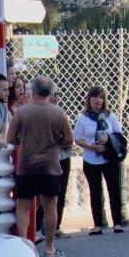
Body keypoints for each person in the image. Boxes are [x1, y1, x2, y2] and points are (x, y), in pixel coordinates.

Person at [8, 75, 74, 257]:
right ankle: (49, 247)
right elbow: (69, 140)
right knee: (50, 206)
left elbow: (10, 138)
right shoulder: (59, 113)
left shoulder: (21, 112)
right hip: (50, 166)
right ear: (51, 92)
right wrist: (55, 141)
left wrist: (25, 139)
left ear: (32, 91)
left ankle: (25, 247)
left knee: (23, 205)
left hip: (27, 165)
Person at [73, 85, 129, 233]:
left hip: (109, 158)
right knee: (95, 192)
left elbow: (119, 133)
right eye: (95, 97)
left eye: (101, 97)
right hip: (91, 159)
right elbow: (78, 139)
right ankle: (98, 224)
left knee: (114, 190)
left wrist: (108, 138)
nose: (98, 100)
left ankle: (117, 223)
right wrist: (91, 146)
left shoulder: (109, 115)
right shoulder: (83, 117)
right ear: (89, 99)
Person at [49, 87, 73, 238]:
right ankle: (43, 227)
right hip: (50, 159)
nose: (57, 97)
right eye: (54, 94)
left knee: (61, 192)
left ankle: (57, 226)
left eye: (58, 94)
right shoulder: (42, 112)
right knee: (49, 193)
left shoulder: (61, 112)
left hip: (63, 156)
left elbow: (69, 138)